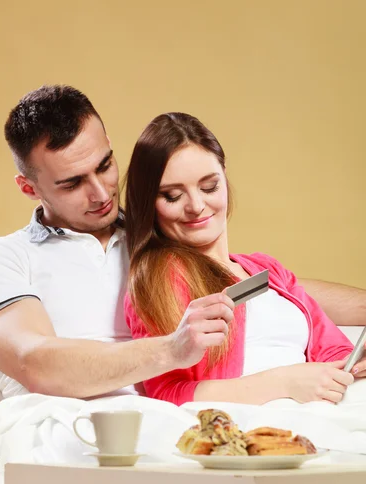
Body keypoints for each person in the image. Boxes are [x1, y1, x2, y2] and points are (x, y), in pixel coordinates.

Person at [0, 85, 366, 484]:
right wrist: (169, 352)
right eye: (72, 182)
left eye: (106, 165)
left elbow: (262, 283)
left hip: (184, 398)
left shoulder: (158, 229)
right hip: (110, 410)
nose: (101, 193)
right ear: (29, 186)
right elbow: (34, 361)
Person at [123, 111, 364, 405]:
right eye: (173, 196)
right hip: (250, 432)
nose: (196, 206)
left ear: (225, 176)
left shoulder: (267, 270)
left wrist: (355, 360)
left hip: (324, 414)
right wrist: (285, 382)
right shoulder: (158, 278)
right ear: (149, 202)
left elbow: (332, 349)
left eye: (209, 186)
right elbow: (166, 392)